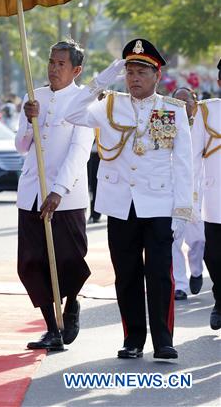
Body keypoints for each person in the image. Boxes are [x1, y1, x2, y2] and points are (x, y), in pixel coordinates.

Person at [65, 38, 193, 360]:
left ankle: (163, 340)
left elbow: (183, 163)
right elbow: (71, 112)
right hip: (121, 203)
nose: (134, 78)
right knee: (128, 273)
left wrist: (182, 211)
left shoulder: (172, 110)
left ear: (156, 76)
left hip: (159, 204)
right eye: (130, 71)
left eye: (141, 72)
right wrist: (102, 79)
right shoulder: (110, 104)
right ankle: (134, 338)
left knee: (160, 274)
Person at [15, 40, 94, 352]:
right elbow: (22, 146)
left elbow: (79, 152)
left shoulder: (84, 100)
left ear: (76, 70)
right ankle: (52, 328)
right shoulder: (33, 97)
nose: (53, 68)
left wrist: (59, 191)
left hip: (67, 196)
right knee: (32, 262)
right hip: (32, 192)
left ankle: (72, 302)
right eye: (51, 62)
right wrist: (27, 119)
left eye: (61, 64)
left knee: (69, 259)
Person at [191, 59, 220, 330]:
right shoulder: (207, 112)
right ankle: (220, 299)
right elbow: (193, 157)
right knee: (214, 255)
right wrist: (191, 196)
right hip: (216, 201)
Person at [169, 87, 204, 301]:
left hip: (200, 191)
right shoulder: (164, 124)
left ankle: (197, 270)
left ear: (195, 103)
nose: (182, 105)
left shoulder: (205, 123)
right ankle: (179, 285)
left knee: (199, 239)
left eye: (186, 101)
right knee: (173, 238)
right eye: (177, 101)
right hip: (175, 189)